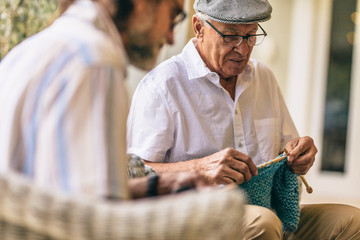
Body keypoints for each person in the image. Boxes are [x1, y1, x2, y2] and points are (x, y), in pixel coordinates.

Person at [127, 0, 360, 239]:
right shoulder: (162, 85)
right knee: (263, 222)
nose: (243, 48)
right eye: (230, 36)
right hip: (193, 221)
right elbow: (136, 174)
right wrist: (200, 168)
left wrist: (298, 155)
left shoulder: (264, 77)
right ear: (198, 28)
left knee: (351, 221)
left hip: (269, 213)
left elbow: (287, 149)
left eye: (251, 35)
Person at [0, 0, 210, 201]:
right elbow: (94, 216)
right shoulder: (95, 61)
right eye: (174, 16)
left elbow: (67, 194)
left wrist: (158, 186)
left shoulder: (33, 49)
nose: (171, 37)